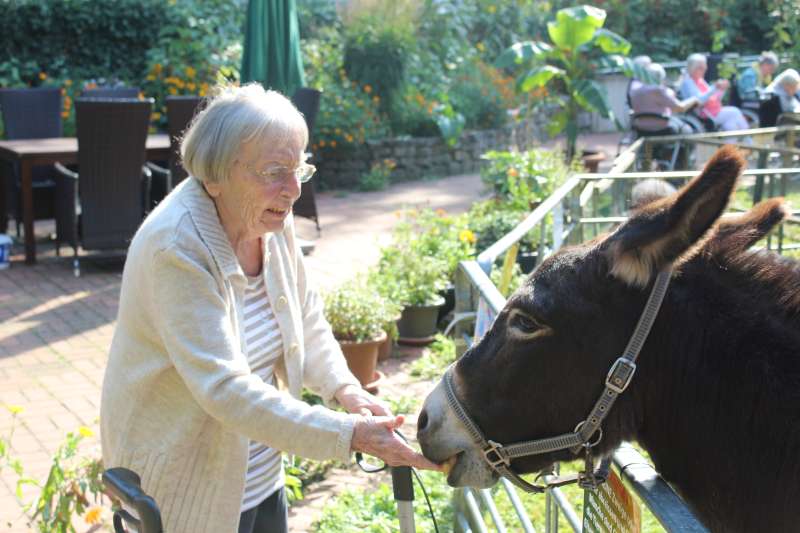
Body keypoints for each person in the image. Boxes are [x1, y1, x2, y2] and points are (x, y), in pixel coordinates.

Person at [100, 84, 440, 533]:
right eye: (275, 170)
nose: (294, 189)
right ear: (215, 174)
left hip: (255, 474)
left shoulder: (265, 220)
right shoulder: (177, 247)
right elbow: (224, 387)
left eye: (298, 167)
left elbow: (307, 320)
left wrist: (346, 390)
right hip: (184, 485)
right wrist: (350, 435)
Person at [679, 53, 749, 131]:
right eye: (701, 67)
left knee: (730, 125)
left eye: (705, 66)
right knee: (735, 111)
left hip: (713, 110)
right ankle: (748, 138)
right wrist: (715, 87)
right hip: (705, 114)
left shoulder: (699, 80)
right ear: (693, 68)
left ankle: (734, 142)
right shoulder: (688, 82)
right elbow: (699, 100)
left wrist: (722, 89)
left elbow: (714, 98)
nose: (705, 69)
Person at [630, 63, 698, 134]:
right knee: (687, 129)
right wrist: (694, 99)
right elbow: (679, 108)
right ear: (660, 77)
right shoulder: (658, 91)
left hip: (639, 127)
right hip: (661, 127)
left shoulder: (635, 89)